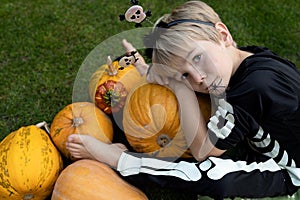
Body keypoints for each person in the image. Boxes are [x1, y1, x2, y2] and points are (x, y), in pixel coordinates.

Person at [66, 1, 300, 199]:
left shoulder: (253, 89)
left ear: (223, 34)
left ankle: (120, 159)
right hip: (261, 134)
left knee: (212, 177)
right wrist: (160, 72)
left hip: (287, 168)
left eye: (198, 57)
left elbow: (203, 150)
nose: (198, 78)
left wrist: (180, 87)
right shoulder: (248, 57)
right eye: (185, 74)